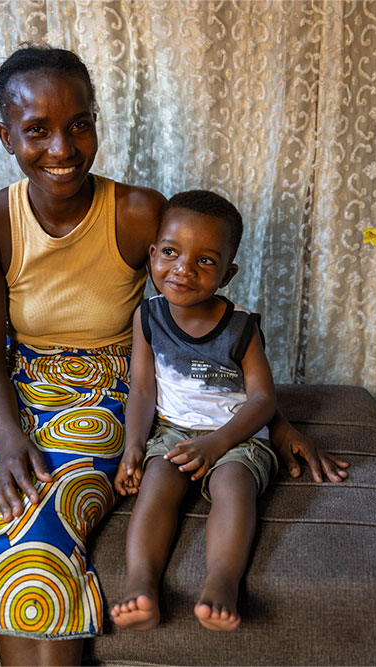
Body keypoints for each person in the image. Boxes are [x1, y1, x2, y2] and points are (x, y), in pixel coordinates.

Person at [0, 45, 347, 667]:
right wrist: (6, 443)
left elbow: (198, 318)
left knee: (34, 533)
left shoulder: (137, 214)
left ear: (95, 122)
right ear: (7, 137)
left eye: (79, 124)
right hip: (12, 395)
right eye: (37, 131)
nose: (62, 148)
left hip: (109, 392)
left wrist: (272, 418)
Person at [110, 191, 276, 633]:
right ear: (152, 255)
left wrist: (218, 442)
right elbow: (142, 389)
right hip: (172, 432)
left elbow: (263, 400)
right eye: (170, 252)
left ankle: (222, 582)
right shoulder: (147, 318)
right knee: (158, 482)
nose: (182, 269)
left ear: (227, 274)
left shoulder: (241, 327)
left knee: (234, 486)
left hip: (234, 436)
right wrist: (133, 448)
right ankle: (141, 582)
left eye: (205, 261)